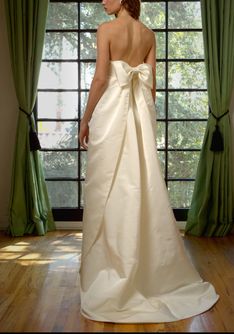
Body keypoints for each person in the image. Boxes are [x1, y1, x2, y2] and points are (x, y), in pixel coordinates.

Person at [79, 0, 219, 323]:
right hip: (136, 122)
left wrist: (85, 120)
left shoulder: (106, 30)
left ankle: (111, 271)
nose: (102, 0)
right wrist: (138, 119)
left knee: (109, 192)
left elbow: (100, 79)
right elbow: (151, 90)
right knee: (138, 188)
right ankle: (143, 270)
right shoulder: (149, 35)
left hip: (110, 120)